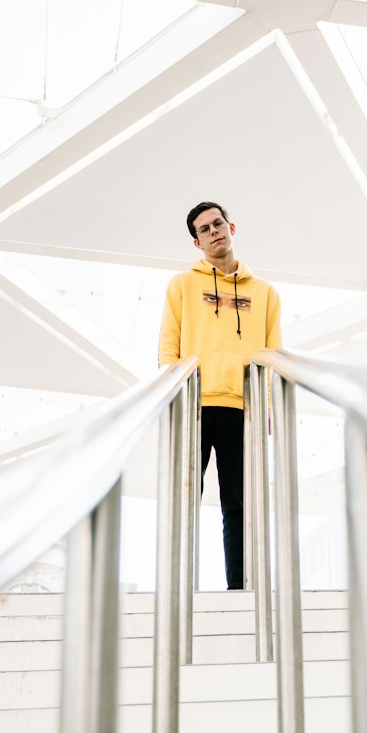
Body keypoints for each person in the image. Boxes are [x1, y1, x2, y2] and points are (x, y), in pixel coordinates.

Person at [158, 202, 282, 590]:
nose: (214, 232)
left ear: (231, 227)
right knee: (184, 501)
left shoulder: (264, 293)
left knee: (239, 505)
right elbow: (168, 348)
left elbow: (274, 356)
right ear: (197, 242)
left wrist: (268, 408)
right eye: (204, 230)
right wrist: (172, 401)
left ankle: (240, 589)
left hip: (240, 409)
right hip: (194, 406)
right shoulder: (182, 285)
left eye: (217, 224)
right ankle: (177, 588)